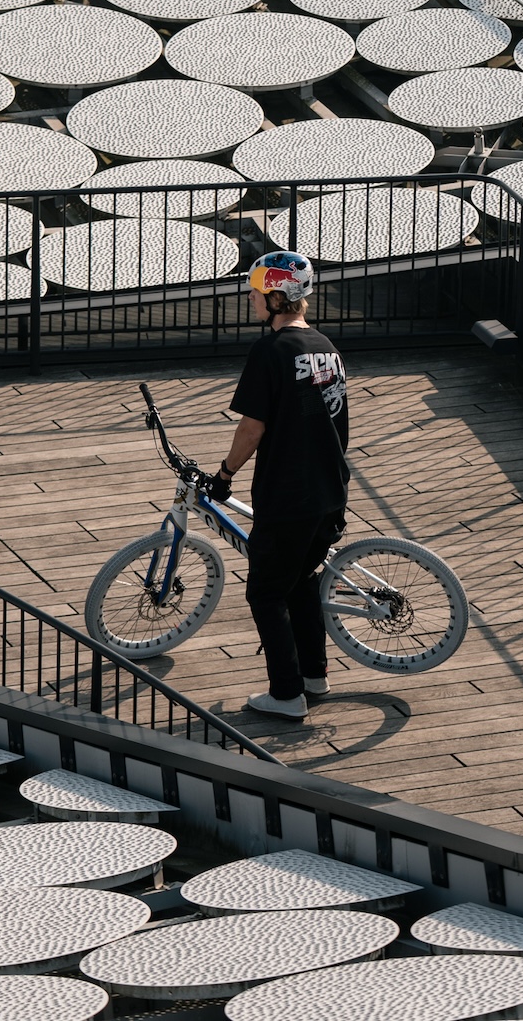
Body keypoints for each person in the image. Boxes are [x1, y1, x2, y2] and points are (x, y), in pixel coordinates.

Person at [209, 251, 348, 721]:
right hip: (329, 490)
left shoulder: (270, 351)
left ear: (275, 297)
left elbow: (252, 428)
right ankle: (313, 676)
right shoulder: (326, 346)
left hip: (289, 493)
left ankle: (287, 696)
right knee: (301, 581)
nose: (250, 299)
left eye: (255, 292)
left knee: (265, 593)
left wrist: (224, 474)